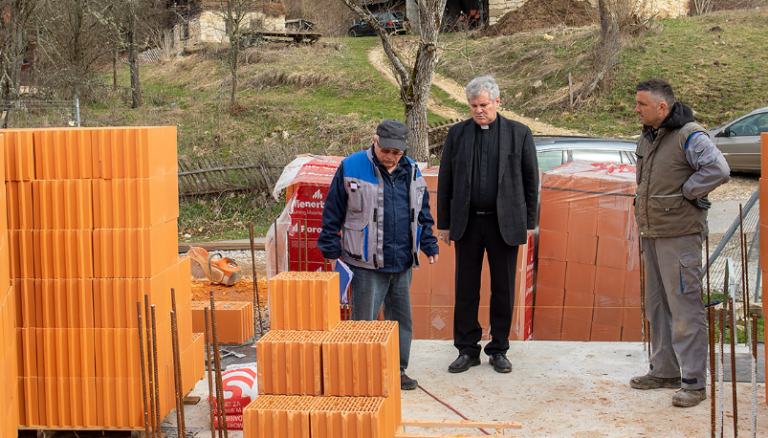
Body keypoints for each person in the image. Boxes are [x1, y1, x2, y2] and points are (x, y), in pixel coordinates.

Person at [630, 78, 730, 407]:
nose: (636, 109)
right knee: (657, 306)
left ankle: (694, 382)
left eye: (642, 104)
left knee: (685, 307)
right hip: (653, 233)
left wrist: (687, 192)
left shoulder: (690, 135)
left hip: (680, 235)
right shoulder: (648, 137)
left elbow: (718, 169)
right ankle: (665, 370)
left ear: (663, 106)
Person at [318, 118, 439, 390]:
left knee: (400, 320)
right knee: (363, 322)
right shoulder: (352, 166)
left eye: (397, 152)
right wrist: (330, 247)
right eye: (386, 150)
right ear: (375, 141)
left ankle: (397, 370)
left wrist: (429, 243)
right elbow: (333, 209)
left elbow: (422, 212)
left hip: (401, 260)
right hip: (364, 261)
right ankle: (361, 375)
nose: (390, 157)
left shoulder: (412, 171)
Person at [436, 75, 539, 374]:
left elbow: (531, 181)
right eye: (473, 106)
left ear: (497, 102)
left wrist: (530, 222)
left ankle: (499, 348)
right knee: (466, 289)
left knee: (503, 289)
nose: (479, 111)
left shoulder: (518, 133)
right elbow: (446, 181)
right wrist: (444, 223)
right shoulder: (457, 134)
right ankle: (467, 350)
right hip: (467, 223)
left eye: (483, 105)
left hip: (504, 224)